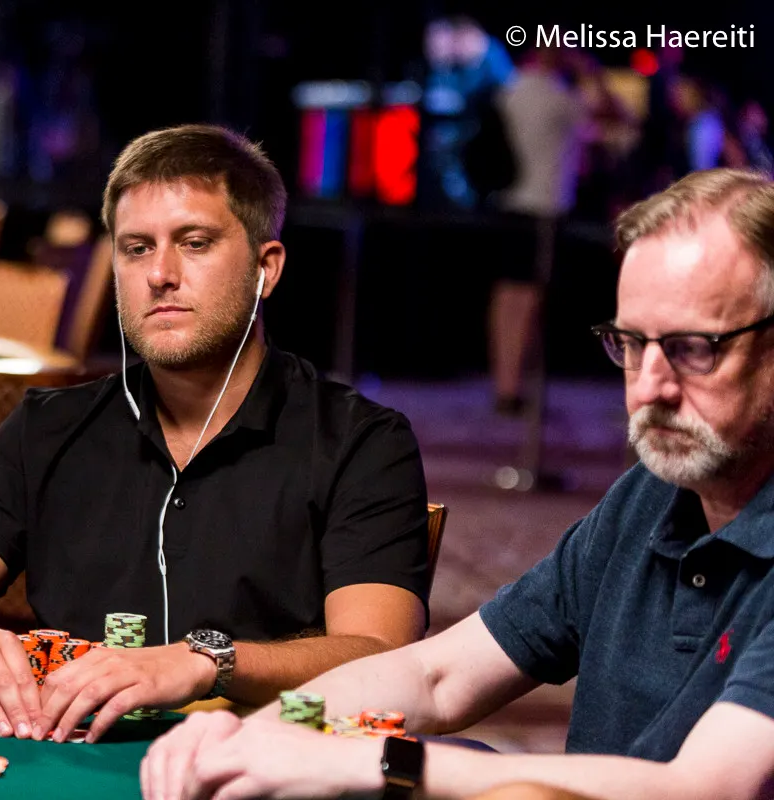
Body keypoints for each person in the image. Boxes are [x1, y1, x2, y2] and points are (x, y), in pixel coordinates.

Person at [143, 167, 774, 799]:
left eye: (694, 348)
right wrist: (264, 732)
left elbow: (707, 789)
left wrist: (377, 762)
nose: (650, 387)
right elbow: (438, 678)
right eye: (632, 344)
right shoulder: (648, 497)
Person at [0, 124, 431, 745]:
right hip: (71, 762)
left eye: (195, 243)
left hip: (264, 764)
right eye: (136, 248)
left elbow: (381, 658)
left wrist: (205, 661)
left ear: (265, 269)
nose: (160, 273)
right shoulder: (47, 428)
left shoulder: (362, 442)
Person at [487, 47, 589, 415]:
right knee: (528, 299)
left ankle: (506, 383)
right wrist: (588, 73)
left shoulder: (510, 89)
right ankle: (514, 387)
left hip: (510, 203)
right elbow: (615, 117)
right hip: (544, 207)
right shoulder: (559, 96)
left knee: (508, 298)